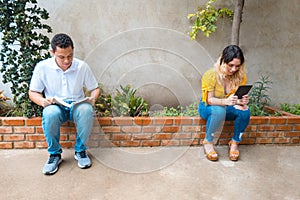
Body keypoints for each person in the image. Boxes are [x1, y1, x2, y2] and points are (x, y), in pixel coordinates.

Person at [29, 33, 100, 175]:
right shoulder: (42, 67)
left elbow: (95, 88)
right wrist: (43, 101)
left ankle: (80, 151)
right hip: (56, 106)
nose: (67, 61)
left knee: (86, 110)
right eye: (61, 57)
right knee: (49, 113)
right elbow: (33, 92)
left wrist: (92, 99)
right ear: (52, 52)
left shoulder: (82, 67)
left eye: (70, 56)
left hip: (77, 105)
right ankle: (54, 155)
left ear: (73, 50)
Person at [198, 45, 250, 161]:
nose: (233, 69)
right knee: (219, 110)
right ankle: (208, 141)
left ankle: (235, 142)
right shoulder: (211, 75)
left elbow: (237, 98)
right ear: (222, 61)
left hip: (227, 107)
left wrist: (242, 101)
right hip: (208, 107)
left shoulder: (241, 76)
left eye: (237, 66)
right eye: (230, 65)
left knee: (245, 111)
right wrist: (226, 101)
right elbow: (209, 100)